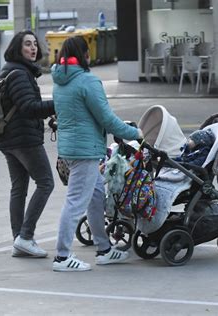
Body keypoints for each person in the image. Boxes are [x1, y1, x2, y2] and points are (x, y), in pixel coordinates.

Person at [51, 36, 143, 272]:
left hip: (70, 150)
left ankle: (104, 249)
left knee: (95, 197)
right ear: (85, 54)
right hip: (85, 151)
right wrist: (136, 132)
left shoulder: (60, 81)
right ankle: (62, 257)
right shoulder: (87, 82)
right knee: (75, 202)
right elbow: (107, 119)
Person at [0, 30, 55, 258]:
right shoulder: (19, 74)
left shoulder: (12, 71)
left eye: (34, 44)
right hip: (23, 139)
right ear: (17, 49)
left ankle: (19, 239)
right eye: (27, 44)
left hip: (10, 138)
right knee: (46, 183)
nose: (33, 48)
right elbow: (29, 108)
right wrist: (57, 104)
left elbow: (23, 107)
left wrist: (48, 115)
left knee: (19, 189)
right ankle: (25, 236)